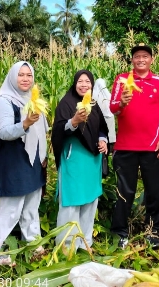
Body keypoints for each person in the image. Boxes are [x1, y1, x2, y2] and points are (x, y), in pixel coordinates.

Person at [109, 43, 159, 248]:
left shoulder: (158, 82)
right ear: (132, 60)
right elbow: (112, 108)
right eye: (137, 56)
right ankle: (120, 233)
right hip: (126, 146)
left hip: (152, 146)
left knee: (154, 191)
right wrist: (122, 103)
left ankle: (152, 230)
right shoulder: (122, 80)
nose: (141, 59)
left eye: (145, 56)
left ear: (151, 59)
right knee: (124, 192)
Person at [0, 61, 49, 266]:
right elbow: (4, 132)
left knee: (32, 204)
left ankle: (32, 243)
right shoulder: (4, 101)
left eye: (29, 75)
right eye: (21, 75)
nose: (25, 79)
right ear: (13, 77)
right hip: (14, 159)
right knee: (11, 207)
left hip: (33, 159)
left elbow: (43, 132)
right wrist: (26, 123)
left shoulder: (34, 99)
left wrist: (44, 156)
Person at [51, 70, 109, 251]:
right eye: (80, 81)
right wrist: (74, 121)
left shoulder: (94, 103)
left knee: (90, 202)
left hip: (92, 161)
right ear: (75, 83)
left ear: (92, 85)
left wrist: (103, 141)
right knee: (72, 202)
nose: (84, 85)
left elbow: (101, 127)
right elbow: (59, 130)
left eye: (87, 82)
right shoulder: (66, 103)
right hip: (73, 159)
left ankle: (85, 243)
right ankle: (66, 246)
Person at [92, 78, 116, 152]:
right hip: (108, 119)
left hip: (101, 120)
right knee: (108, 137)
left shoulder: (94, 96)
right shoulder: (108, 95)